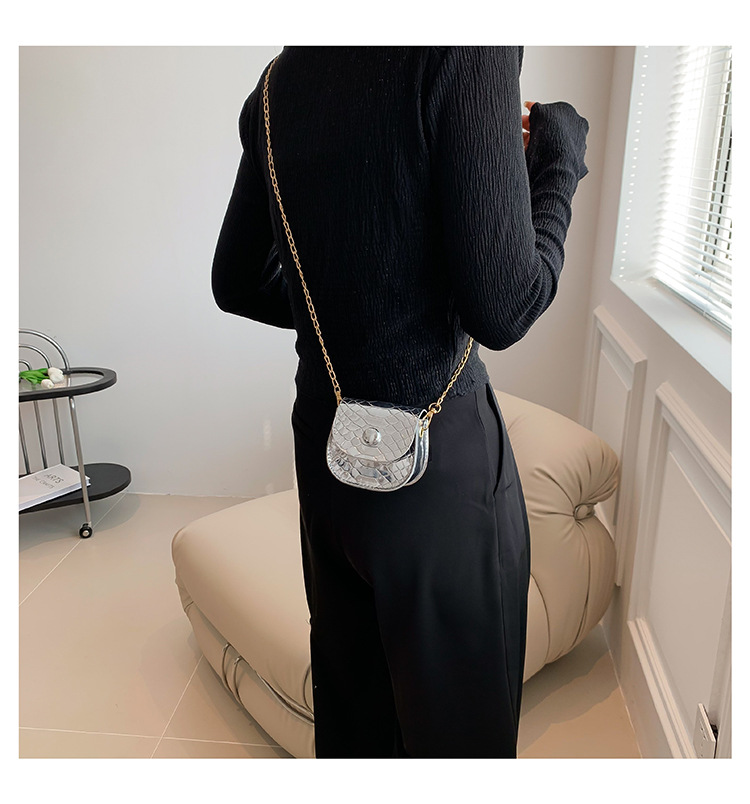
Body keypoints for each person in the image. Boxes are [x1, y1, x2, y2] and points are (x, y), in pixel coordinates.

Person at [211, 46, 589, 758]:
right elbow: (506, 306)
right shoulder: (464, 46)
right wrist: (559, 158)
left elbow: (237, 280)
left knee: (356, 722)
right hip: (438, 468)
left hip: (326, 450)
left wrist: (357, 313)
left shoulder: (280, 80)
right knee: (460, 740)